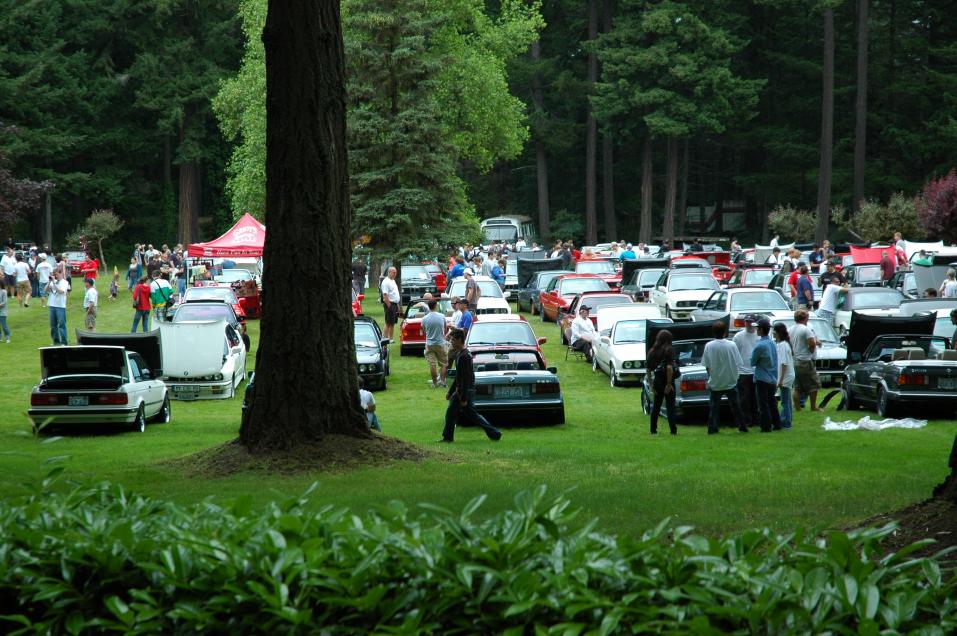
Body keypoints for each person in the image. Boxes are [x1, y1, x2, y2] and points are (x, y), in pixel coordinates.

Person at [439, 329, 502, 443]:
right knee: (472, 415)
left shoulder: (464, 356)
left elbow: (466, 378)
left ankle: (447, 437)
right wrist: (450, 392)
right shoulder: (460, 354)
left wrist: (463, 398)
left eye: (453, 340)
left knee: (451, 413)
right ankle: (495, 433)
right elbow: (458, 376)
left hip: (464, 391)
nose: (451, 342)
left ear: (459, 340)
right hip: (463, 390)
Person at [702, 321, 748, 434]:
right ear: (725, 332)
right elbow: (738, 362)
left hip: (716, 381)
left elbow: (707, 365)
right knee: (736, 407)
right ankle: (742, 427)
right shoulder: (732, 345)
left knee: (714, 408)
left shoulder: (709, 346)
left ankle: (712, 428)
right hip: (731, 380)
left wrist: (711, 376)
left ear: (714, 332)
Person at [789, 309, 823, 412]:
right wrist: (811, 352)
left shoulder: (790, 329)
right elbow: (812, 344)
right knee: (814, 384)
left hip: (795, 360)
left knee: (797, 386)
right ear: (805, 318)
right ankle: (813, 407)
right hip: (805, 361)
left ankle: (798, 408)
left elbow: (789, 344)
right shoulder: (806, 329)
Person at [751, 319, 781, 432]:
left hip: (762, 378)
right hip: (772, 377)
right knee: (772, 402)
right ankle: (777, 423)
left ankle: (766, 426)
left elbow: (752, 362)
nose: (756, 330)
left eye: (757, 328)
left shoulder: (760, 345)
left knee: (763, 404)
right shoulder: (772, 343)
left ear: (761, 329)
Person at [646, 329, 678, 435]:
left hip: (657, 381)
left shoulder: (652, 351)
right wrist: (669, 384)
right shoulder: (669, 350)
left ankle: (653, 430)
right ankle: (673, 430)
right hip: (668, 381)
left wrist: (651, 385)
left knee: (656, 406)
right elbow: (669, 368)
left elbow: (648, 369)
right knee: (670, 407)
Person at [732, 315, 760, 429]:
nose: (748, 324)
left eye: (750, 322)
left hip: (756, 371)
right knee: (744, 398)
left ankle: (756, 419)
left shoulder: (759, 336)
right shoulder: (738, 337)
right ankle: (747, 420)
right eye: (746, 322)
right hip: (743, 372)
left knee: (756, 398)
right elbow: (735, 354)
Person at [422, 299, 449, 388]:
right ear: (436, 306)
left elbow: (424, 330)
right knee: (444, 364)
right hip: (441, 343)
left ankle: (434, 383)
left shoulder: (425, 318)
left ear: (428, 306)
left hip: (429, 344)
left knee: (432, 364)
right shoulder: (442, 316)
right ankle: (443, 382)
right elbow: (445, 328)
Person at [774, 322, 794, 430]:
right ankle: (788, 420)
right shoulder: (784, 344)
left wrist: (781, 379)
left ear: (778, 333)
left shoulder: (782, 345)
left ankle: (786, 422)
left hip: (785, 376)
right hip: (788, 375)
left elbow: (784, 363)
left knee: (785, 401)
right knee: (787, 400)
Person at [46, 270, 70, 345]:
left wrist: (54, 283)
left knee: (61, 324)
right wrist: (49, 282)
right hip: (52, 305)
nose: (56, 276)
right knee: (53, 325)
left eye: (57, 274)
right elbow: (45, 290)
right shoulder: (52, 281)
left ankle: (64, 342)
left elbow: (61, 291)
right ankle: (56, 341)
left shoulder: (65, 282)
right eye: (54, 275)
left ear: (61, 274)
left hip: (60, 306)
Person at [380, 266, 400, 341]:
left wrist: (397, 305)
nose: (395, 274)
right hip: (389, 304)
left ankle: (390, 338)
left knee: (392, 323)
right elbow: (385, 295)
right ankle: (384, 339)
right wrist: (389, 306)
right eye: (393, 272)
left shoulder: (393, 281)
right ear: (389, 272)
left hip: (394, 304)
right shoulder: (386, 282)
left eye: (395, 272)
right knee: (388, 322)